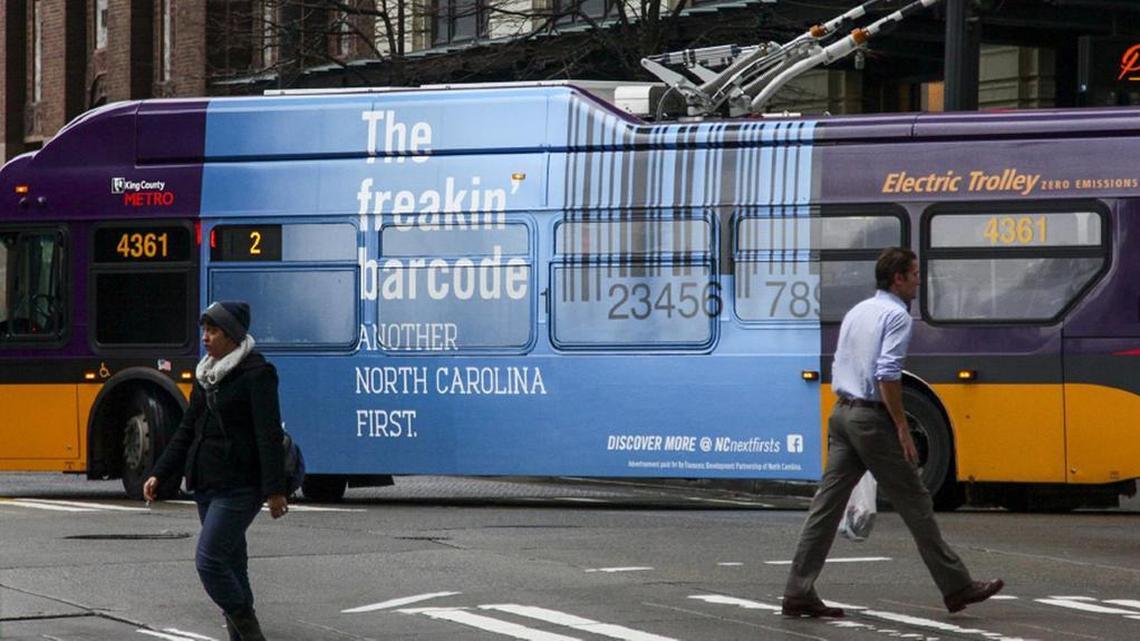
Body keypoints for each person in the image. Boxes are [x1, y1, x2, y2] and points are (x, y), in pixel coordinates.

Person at [781, 247, 1003, 618]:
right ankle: (957, 586)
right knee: (915, 501)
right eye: (914, 273)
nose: (919, 279)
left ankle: (798, 590)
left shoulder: (858, 310)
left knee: (826, 507)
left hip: (842, 413)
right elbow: (887, 373)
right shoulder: (897, 316)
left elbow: (842, 362)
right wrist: (901, 425)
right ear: (897, 278)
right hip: (871, 420)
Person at [144, 301, 288, 641]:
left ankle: (249, 632)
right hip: (206, 483)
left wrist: (275, 490)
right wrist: (160, 473)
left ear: (232, 336)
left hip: (240, 485)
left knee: (209, 561)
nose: (205, 338)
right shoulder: (206, 374)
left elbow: (268, 435)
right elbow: (186, 429)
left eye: (213, 331)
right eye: (204, 330)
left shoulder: (257, 373)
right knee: (232, 563)